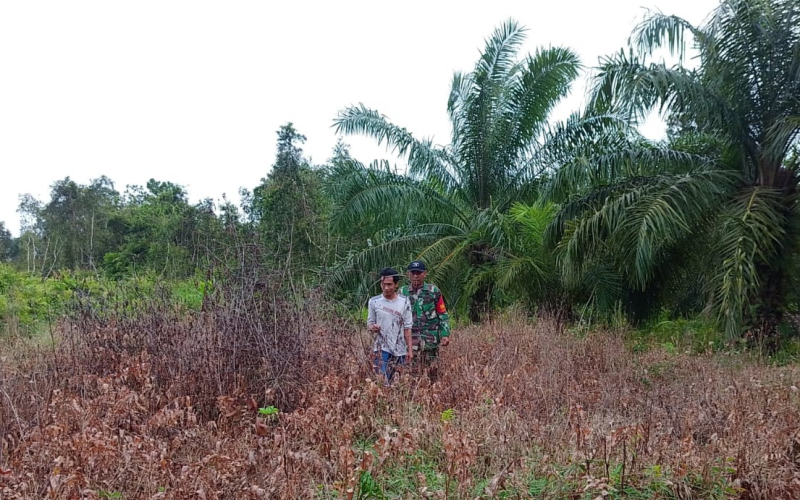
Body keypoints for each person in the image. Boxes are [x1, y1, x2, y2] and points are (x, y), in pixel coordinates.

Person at [399, 260, 451, 379]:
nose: (415, 276)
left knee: (432, 373)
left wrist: (445, 334)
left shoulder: (433, 291)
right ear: (408, 274)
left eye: (418, 273)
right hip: (410, 341)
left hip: (430, 340)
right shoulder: (402, 292)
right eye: (413, 273)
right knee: (411, 374)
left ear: (424, 274)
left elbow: (442, 314)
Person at [367, 267, 413, 385]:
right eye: (383, 284)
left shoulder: (404, 301)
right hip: (381, 348)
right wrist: (373, 327)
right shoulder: (374, 302)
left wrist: (409, 350)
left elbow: (407, 327)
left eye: (389, 284)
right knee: (382, 381)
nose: (386, 288)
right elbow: (370, 323)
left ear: (396, 284)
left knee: (397, 382)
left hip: (400, 348)